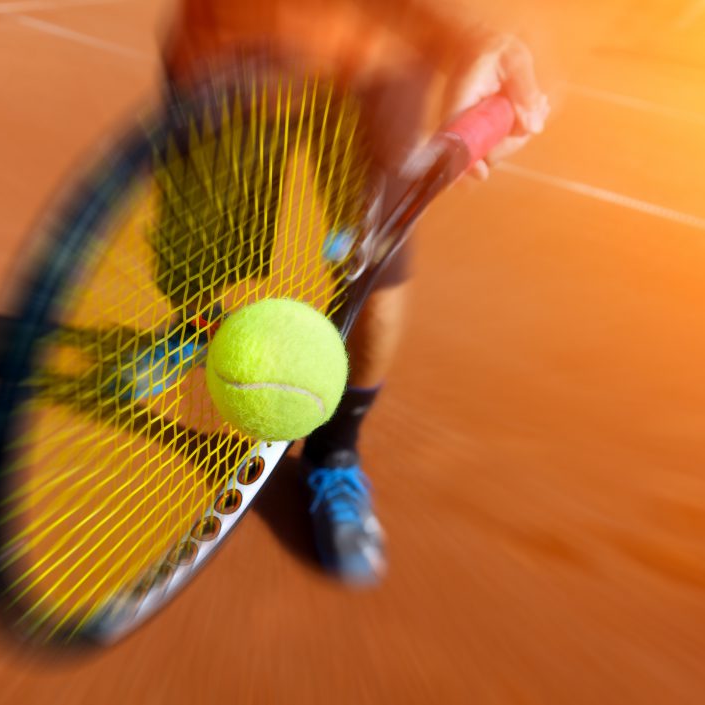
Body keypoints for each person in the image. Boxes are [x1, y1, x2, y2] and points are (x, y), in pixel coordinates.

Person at [157, 0, 548, 585]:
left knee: (377, 270)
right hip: (229, 25)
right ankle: (198, 330)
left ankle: (334, 450)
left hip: (377, 48)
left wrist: (465, 33)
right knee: (200, 245)